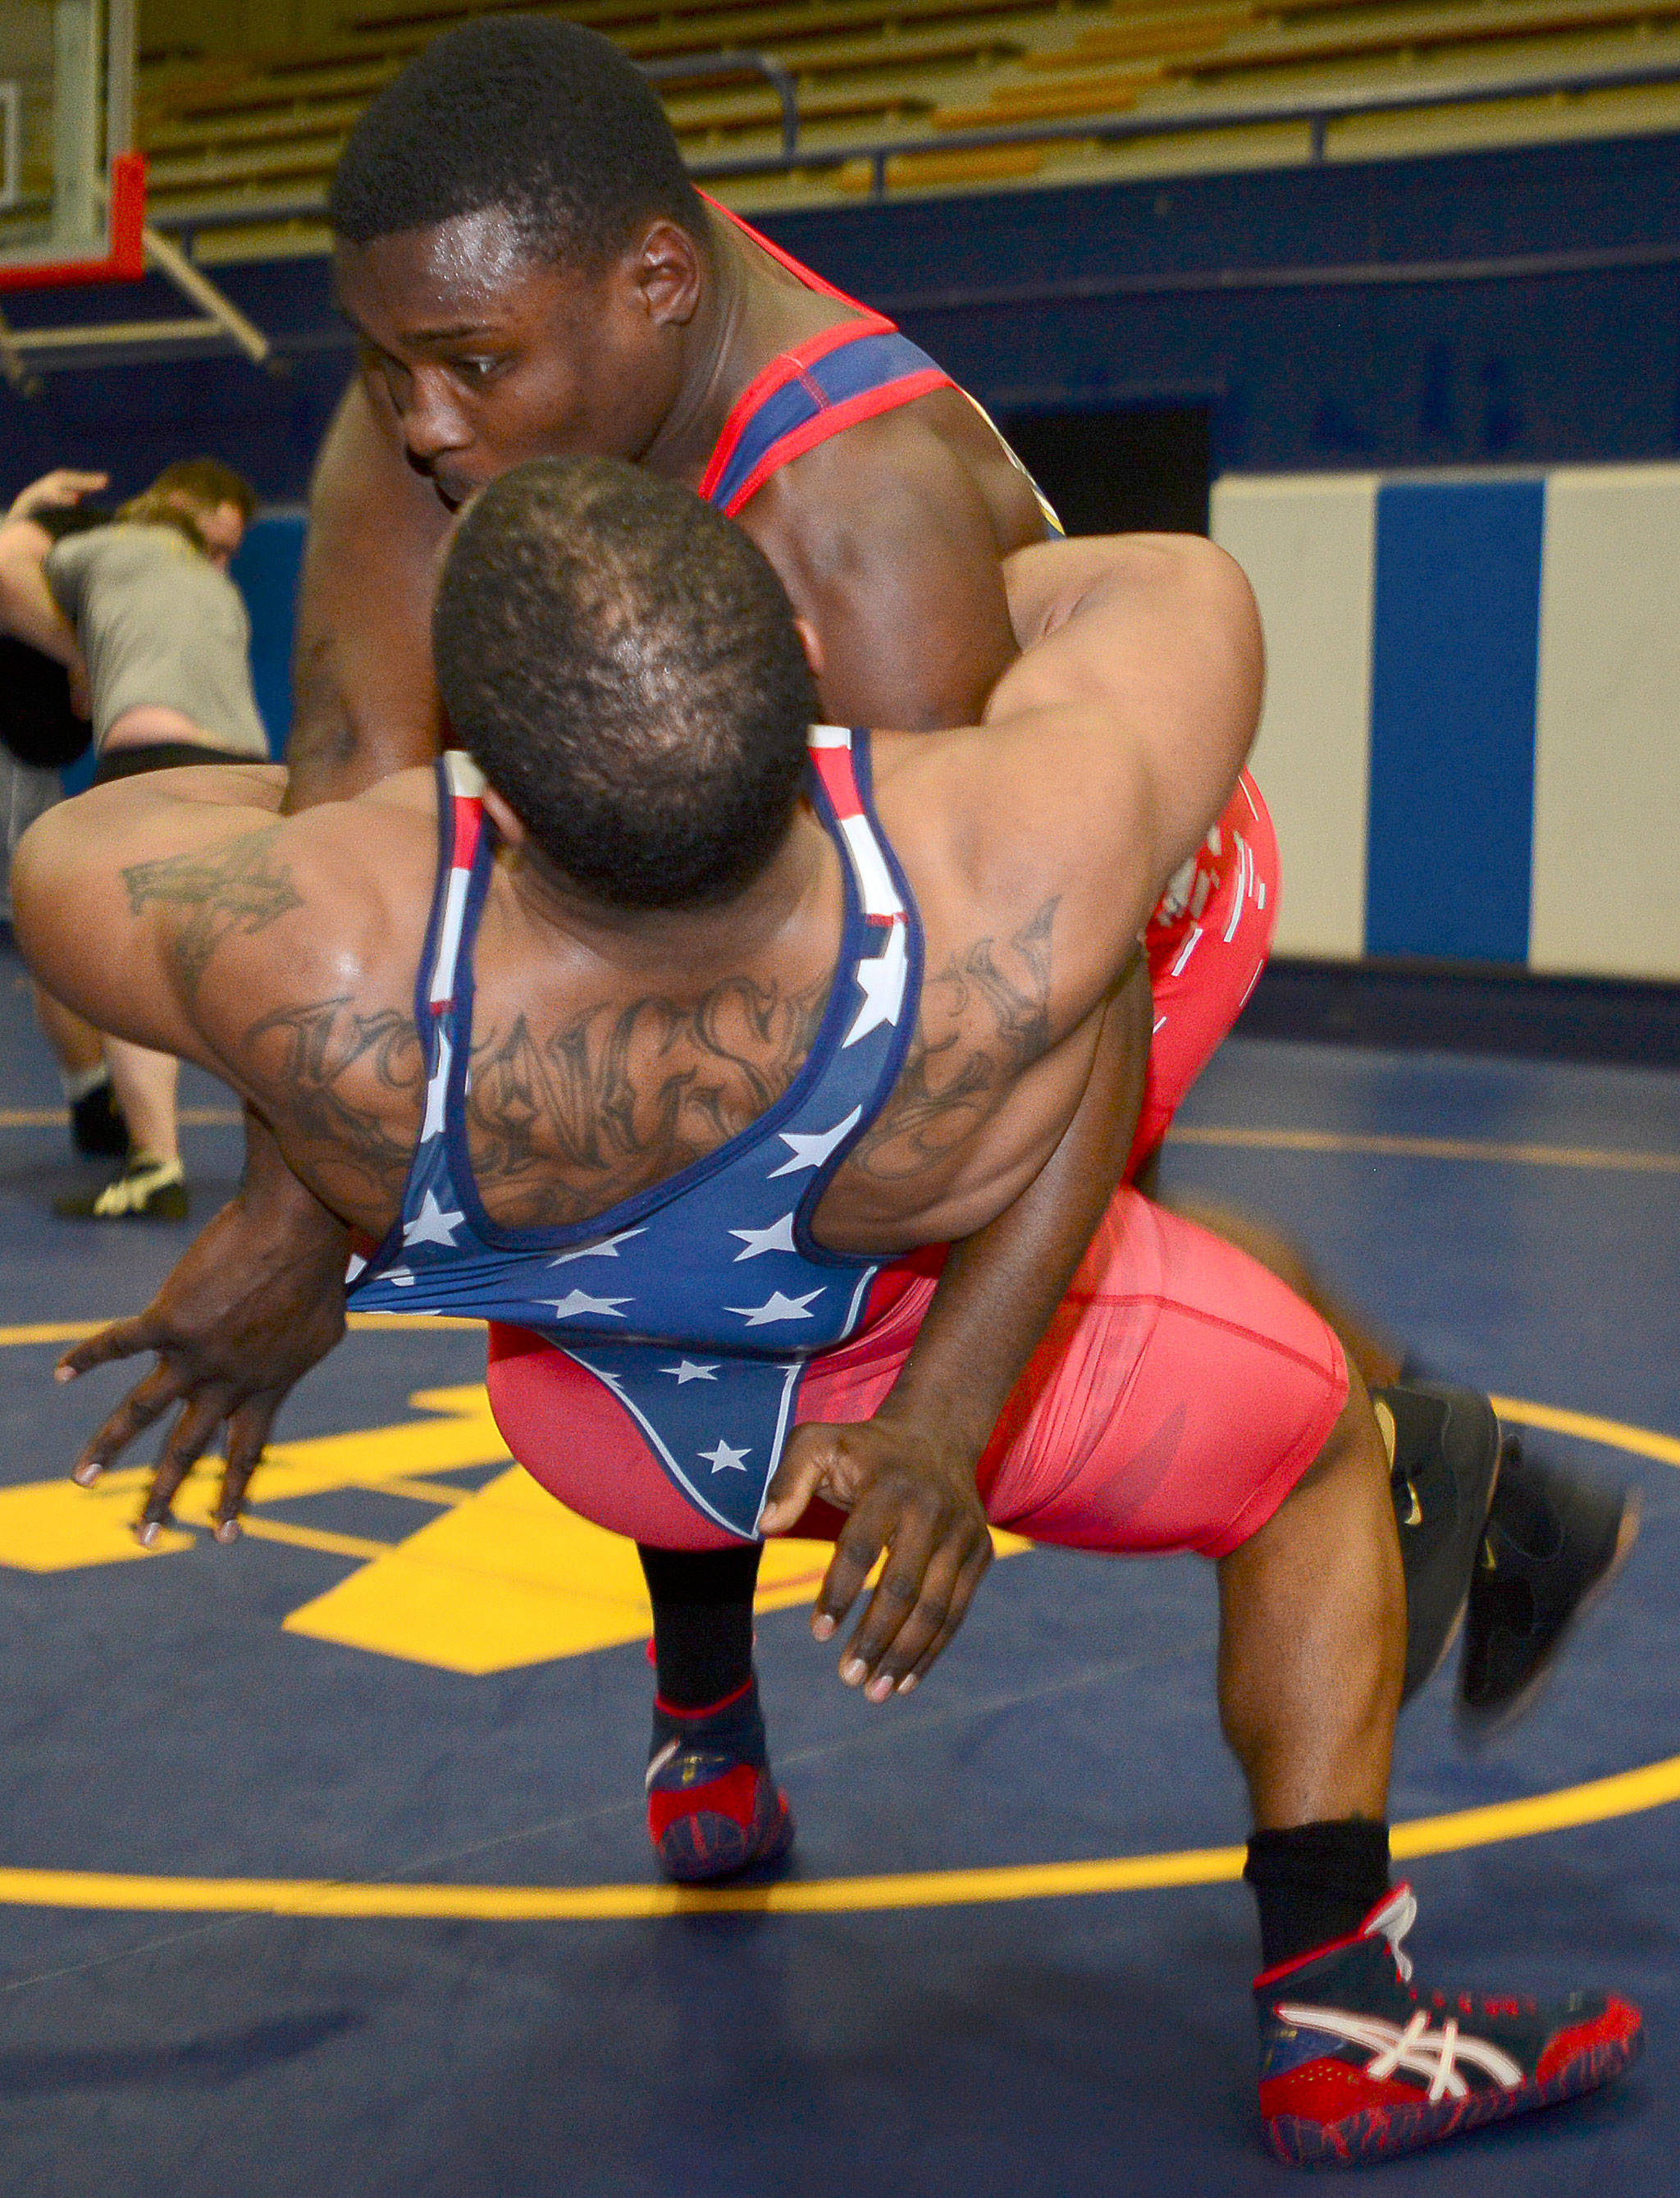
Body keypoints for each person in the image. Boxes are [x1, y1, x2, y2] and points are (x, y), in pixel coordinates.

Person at [13, 460, 1642, 2168]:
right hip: (928, 1398)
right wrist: (883, 656)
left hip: (606, 1438)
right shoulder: (986, 870)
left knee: (681, 1292)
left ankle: (703, 1746)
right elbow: (1155, 591)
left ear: (485, 797)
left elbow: (91, 837)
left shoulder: (334, 974)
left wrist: (447, 802)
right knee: (1308, 1437)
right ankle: (1343, 2012)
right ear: (803, 656)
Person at [51, 18, 1615, 1739]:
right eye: (382, 364)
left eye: (460, 368)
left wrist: (944, 1422)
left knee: (786, 1198)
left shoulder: (857, 525)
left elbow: (1041, 989)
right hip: (834, 864)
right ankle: (719, 1694)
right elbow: (354, 798)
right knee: (643, 1139)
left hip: (1112, 895)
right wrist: (290, 1216)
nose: (416, 423)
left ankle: (1400, 1467)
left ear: (655, 283)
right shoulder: (464, 348)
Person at [0, 456, 264, 1219]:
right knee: (243, 965)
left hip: (154, 762)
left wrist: (27, 509)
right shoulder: (215, 589)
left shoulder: (113, 549)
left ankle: (154, 1162)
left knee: (126, 967)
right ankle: (308, 1162)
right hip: (249, 771)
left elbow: (11, 566)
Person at [0, 468, 129, 1160]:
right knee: (44, 918)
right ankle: (93, 1099)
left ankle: (92, 1097)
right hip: (13, 761)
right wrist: (81, 661)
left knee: (45, 920)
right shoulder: (29, 556)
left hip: (25, 757)